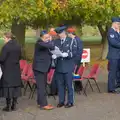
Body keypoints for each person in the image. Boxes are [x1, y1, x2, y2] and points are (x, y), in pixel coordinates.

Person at [54, 26, 77, 108]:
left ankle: (70, 101)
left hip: (68, 65)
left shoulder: (71, 40)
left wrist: (68, 54)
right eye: (58, 34)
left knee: (69, 85)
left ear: (64, 33)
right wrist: (54, 55)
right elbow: (54, 50)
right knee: (60, 85)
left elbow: (74, 52)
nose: (59, 35)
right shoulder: (56, 41)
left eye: (60, 33)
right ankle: (61, 101)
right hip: (59, 66)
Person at [32, 30, 55, 110]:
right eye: (46, 37)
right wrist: (51, 40)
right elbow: (51, 46)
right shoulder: (39, 43)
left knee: (42, 86)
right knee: (41, 87)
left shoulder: (43, 43)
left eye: (48, 37)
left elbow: (47, 51)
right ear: (42, 37)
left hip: (43, 68)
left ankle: (40, 102)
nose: (48, 39)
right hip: (40, 68)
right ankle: (44, 104)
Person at [0, 32, 22, 112]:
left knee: (8, 87)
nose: (4, 39)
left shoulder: (6, 47)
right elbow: (20, 56)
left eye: (4, 38)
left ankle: (8, 106)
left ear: (8, 38)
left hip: (7, 69)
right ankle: (14, 105)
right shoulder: (18, 45)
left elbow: (2, 59)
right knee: (15, 87)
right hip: (16, 68)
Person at [67, 27, 83, 92]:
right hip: (74, 59)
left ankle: (78, 87)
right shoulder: (73, 40)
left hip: (76, 60)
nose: (67, 35)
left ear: (70, 33)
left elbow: (79, 50)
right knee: (76, 73)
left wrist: (76, 59)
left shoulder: (77, 40)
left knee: (76, 73)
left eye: (68, 33)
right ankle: (78, 86)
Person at [107, 17, 120, 93]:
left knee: (118, 72)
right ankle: (111, 88)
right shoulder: (110, 32)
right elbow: (113, 43)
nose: (119, 26)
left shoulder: (116, 32)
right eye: (118, 24)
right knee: (113, 72)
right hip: (113, 56)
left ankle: (117, 85)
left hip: (118, 55)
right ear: (114, 24)